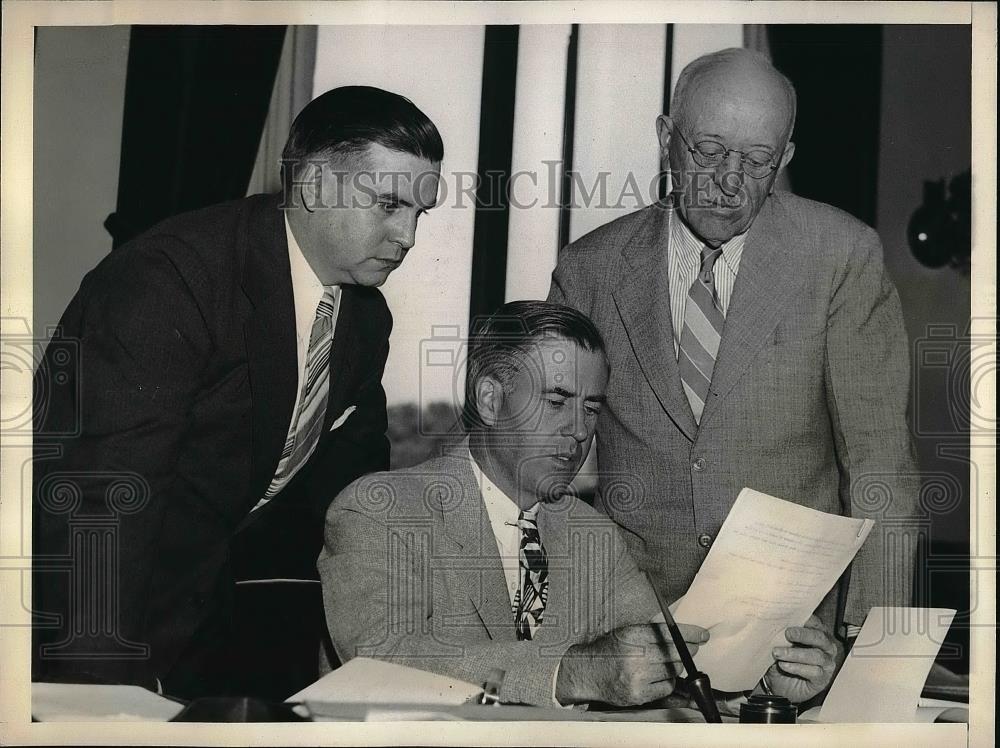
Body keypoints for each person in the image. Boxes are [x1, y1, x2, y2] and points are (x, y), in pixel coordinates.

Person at [32, 85, 443, 697]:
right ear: (311, 185)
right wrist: (98, 701)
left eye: (419, 212)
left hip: (209, 624)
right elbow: (105, 507)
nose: (407, 236)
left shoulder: (363, 318)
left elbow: (355, 495)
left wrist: (390, 656)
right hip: (87, 625)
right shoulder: (169, 280)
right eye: (387, 205)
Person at [548, 48, 917, 702]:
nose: (728, 181)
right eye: (709, 150)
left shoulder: (839, 256)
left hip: (794, 651)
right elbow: (543, 466)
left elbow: (878, 459)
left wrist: (868, 657)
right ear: (667, 138)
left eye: (756, 161)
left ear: (787, 158)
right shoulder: (589, 270)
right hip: (634, 642)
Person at [319, 301, 711, 707]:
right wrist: (569, 673)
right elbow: (384, 663)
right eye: (556, 402)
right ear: (490, 400)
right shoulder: (379, 512)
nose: (579, 430)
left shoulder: (591, 533)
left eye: (591, 408)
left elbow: (661, 652)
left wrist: (756, 678)